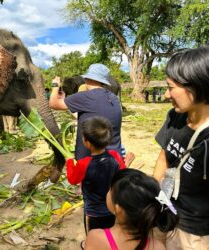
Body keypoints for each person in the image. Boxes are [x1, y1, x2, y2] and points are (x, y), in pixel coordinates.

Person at [153, 47, 209, 249]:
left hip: (193, 231)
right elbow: (164, 156)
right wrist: (153, 194)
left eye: (170, 87)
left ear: (195, 86)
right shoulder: (175, 116)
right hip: (164, 213)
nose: (166, 95)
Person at [85, 168, 179, 250]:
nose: (108, 191)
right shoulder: (158, 247)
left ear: (118, 209)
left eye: (110, 190)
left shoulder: (96, 238)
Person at [66, 117, 122, 249]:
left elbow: (72, 179)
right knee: (109, 233)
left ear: (87, 142)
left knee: (92, 236)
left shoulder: (83, 163)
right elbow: (122, 173)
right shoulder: (115, 156)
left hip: (93, 212)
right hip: (112, 209)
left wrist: (69, 162)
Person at [49, 63, 123, 163]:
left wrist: (55, 86)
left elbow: (53, 104)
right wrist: (66, 101)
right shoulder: (113, 98)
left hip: (91, 164)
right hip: (113, 160)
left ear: (87, 79)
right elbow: (90, 115)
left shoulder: (85, 97)